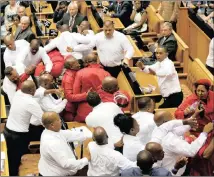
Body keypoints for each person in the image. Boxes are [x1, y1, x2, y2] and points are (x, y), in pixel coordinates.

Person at [153, 110, 212, 176]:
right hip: (173, 173)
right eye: (172, 119)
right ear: (166, 123)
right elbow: (191, 151)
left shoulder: (158, 129)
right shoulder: (170, 140)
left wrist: (193, 116)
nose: (174, 119)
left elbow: (177, 130)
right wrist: (204, 133)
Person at [3, 80, 43, 176]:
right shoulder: (31, 103)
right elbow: (44, 120)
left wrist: (49, 91)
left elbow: (34, 93)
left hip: (7, 130)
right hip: (18, 136)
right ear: (32, 90)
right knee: (15, 161)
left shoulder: (18, 93)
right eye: (35, 88)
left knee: (10, 158)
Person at [175, 79, 214, 176]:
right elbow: (177, 113)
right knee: (201, 153)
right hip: (197, 131)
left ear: (208, 90)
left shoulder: (213, 96)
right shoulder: (191, 99)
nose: (200, 93)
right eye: (198, 91)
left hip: (211, 128)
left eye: (203, 91)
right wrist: (185, 112)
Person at [38, 111, 91, 176]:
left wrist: (91, 135)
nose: (61, 121)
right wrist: (86, 159)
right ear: (52, 125)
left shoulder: (50, 131)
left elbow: (68, 134)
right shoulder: (52, 143)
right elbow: (66, 164)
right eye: (58, 120)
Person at [73, 53, 110, 122]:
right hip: (102, 111)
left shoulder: (80, 73)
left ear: (86, 62)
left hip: (84, 112)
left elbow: (75, 94)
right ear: (97, 61)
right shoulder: (106, 73)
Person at [61, 57, 88, 121]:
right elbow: (69, 97)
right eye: (76, 63)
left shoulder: (74, 73)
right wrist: (86, 95)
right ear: (71, 67)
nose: (79, 64)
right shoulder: (69, 79)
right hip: (71, 110)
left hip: (75, 106)